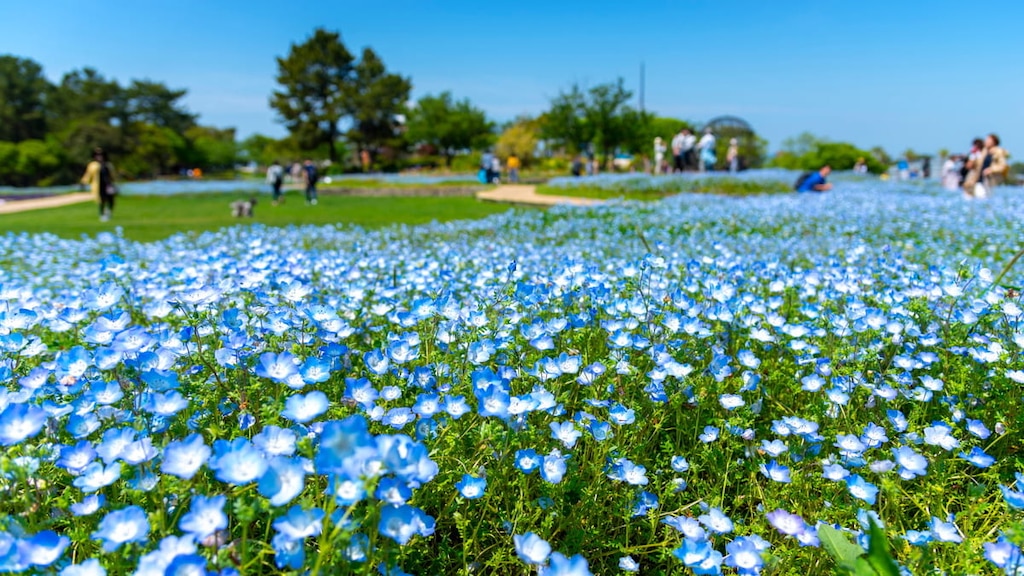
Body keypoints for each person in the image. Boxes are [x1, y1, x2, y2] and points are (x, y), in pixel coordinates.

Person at [81, 147, 117, 222]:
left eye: (101, 155)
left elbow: (112, 175)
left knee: (111, 200)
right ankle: (102, 214)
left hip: (108, 185)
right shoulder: (93, 165)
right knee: (102, 200)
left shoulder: (107, 164)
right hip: (99, 186)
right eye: (97, 155)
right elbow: (88, 175)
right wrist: (84, 182)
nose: (99, 157)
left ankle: (109, 212)